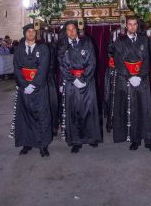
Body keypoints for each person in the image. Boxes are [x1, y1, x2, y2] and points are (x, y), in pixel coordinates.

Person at [112, 17, 151, 151]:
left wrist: (140, 75)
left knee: (146, 109)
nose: (132, 27)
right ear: (126, 26)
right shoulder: (120, 41)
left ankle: (149, 140)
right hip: (128, 80)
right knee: (132, 109)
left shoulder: (144, 40)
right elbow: (118, 61)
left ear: (138, 26)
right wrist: (129, 77)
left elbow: (147, 59)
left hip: (142, 79)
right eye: (130, 25)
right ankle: (135, 139)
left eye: (134, 24)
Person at [58, 20, 101, 153]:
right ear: (65, 32)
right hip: (71, 83)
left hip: (87, 81)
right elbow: (62, 65)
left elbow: (92, 61)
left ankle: (91, 138)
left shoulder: (86, 42)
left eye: (73, 29)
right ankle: (76, 141)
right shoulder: (62, 46)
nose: (71, 32)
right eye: (68, 30)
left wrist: (84, 78)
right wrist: (73, 80)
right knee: (74, 111)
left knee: (89, 109)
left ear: (77, 30)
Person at [13, 24, 52, 157]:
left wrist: (33, 85)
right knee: (25, 115)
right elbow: (17, 69)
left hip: (39, 88)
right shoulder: (19, 49)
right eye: (28, 31)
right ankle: (26, 143)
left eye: (33, 31)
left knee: (41, 116)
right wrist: (24, 85)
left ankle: (43, 145)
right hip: (24, 88)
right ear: (24, 33)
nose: (30, 33)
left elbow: (43, 68)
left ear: (36, 34)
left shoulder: (43, 48)